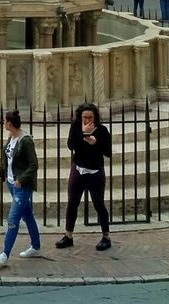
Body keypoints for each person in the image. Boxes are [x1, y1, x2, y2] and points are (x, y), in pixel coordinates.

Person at [55, 103, 112, 251]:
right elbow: (70, 145)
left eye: (90, 117)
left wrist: (95, 143)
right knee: (72, 203)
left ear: (95, 117)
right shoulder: (75, 127)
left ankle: (106, 237)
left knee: (98, 204)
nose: (87, 120)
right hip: (78, 170)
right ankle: (68, 236)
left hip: (95, 172)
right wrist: (82, 133)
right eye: (84, 117)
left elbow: (108, 152)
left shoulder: (102, 130)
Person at [0, 110, 41, 266]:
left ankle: (5, 253)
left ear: (9, 124)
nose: (3, 124)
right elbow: (7, 158)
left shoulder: (25, 141)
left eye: (4, 121)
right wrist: (5, 175)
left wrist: (21, 180)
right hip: (12, 183)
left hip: (22, 186)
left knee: (13, 219)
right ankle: (36, 246)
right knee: (27, 216)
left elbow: (34, 165)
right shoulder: (11, 138)